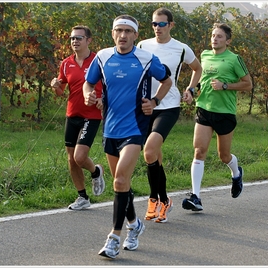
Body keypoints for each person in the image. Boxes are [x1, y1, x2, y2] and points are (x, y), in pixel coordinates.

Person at [83, 15, 172, 259]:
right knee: (121, 184)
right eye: (118, 31)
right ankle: (135, 225)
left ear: (135, 35)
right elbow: (88, 84)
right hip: (110, 129)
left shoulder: (146, 59)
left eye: (127, 32)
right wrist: (88, 95)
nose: (123, 36)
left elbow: (167, 80)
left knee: (121, 181)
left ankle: (114, 237)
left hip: (135, 128)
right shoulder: (102, 57)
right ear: (113, 34)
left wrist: (155, 101)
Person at [137, 7, 202, 223]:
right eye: (154, 24)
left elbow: (197, 69)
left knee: (149, 151)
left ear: (171, 25)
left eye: (162, 24)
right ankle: (162, 200)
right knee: (154, 156)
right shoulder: (142, 45)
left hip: (170, 105)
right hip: (146, 106)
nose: (157, 28)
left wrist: (191, 89)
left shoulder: (181, 48)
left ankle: (155, 199)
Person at [182, 23, 253, 211]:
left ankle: (236, 173)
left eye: (220, 36)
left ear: (228, 41)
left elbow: (248, 84)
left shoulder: (234, 59)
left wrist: (225, 86)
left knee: (224, 156)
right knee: (199, 151)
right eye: (213, 35)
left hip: (225, 112)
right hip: (204, 108)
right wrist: (191, 90)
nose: (215, 38)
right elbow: (200, 79)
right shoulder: (204, 56)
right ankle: (195, 197)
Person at [50, 25, 105, 211]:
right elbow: (60, 92)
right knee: (71, 159)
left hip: (92, 114)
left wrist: (103, 99)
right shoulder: (66, 63)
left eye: (79, 38)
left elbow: (111, 84)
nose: (75, 41)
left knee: (79, 156)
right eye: (73, 38)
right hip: (72, 114)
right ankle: (82, 197)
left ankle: (96, 171)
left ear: (88, 40)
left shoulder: (99, 60)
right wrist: (55, 85)